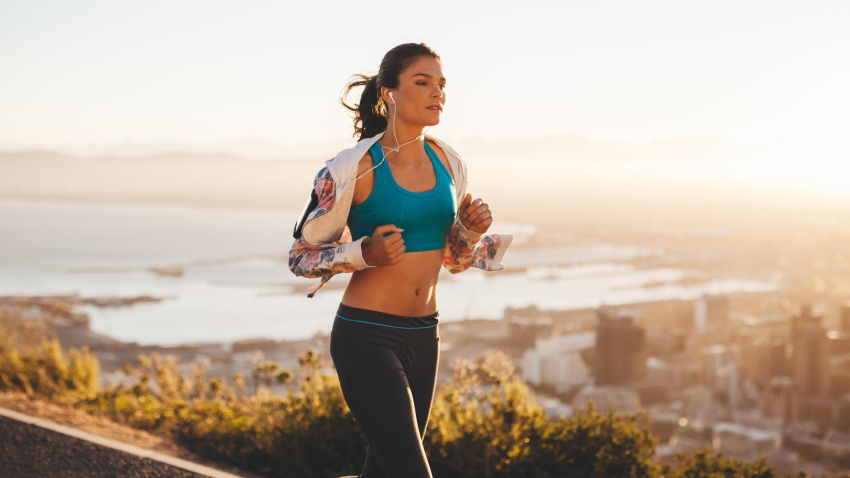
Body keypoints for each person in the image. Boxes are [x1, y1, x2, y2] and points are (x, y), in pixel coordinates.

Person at [289, 42, 512, 478]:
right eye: (422, 82)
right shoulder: (352, 168)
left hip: (424, 337)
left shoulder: (449, 163)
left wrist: (469, 230)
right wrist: (363, 253)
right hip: (366, 337)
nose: (437, 93)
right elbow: (300, 258)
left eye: (442, 84)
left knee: (386, 472)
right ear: (389, 92)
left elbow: (453, 260)